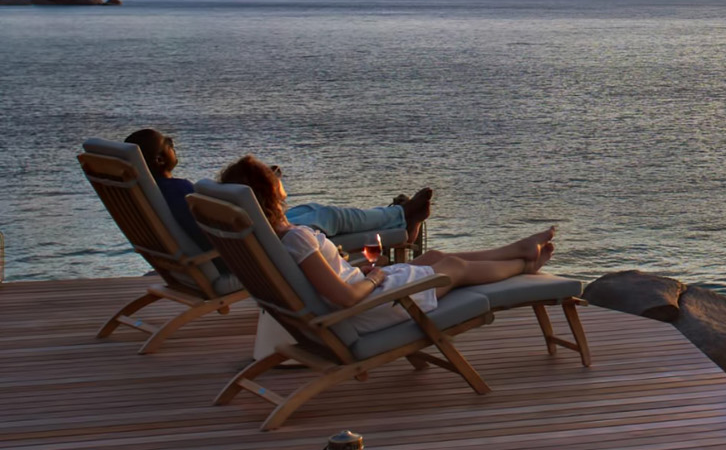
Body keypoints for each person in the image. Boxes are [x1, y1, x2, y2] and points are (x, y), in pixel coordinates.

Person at [216, 156, 554, 335]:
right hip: (367, 309)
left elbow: (325, 284)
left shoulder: (270, 240)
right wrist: (375, 278)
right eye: (272, 175)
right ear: (271, 193)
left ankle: (517, 249)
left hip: (358, 301)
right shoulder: (296, 238)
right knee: (453, 268)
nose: (279, 176)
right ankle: (525, 265)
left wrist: (358, 271)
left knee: (434, 256)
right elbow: (345, 297)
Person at [124, 129, 431, 249]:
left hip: (244, 236)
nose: (173, 143)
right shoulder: (176, 191)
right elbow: (213, 228)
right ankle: (402, 220)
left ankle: (400, 217)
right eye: (168, 143)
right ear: (158, 158)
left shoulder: (148, 192)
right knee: (330, 217)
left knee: (318, 211)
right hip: (251, 246)